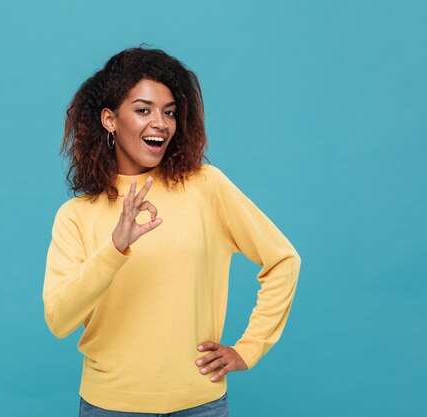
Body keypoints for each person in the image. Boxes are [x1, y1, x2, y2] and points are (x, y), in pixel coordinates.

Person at [42, 46, 301, 416]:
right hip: (110, 406)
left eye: (169, 112)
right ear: (109, 119)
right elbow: (59, 319)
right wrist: (115, 248)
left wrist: (249, 347)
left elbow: (283, 261)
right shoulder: (76, 216)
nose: (160, 123)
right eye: (143, 110)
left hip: (199, 405)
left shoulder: (205, 188)